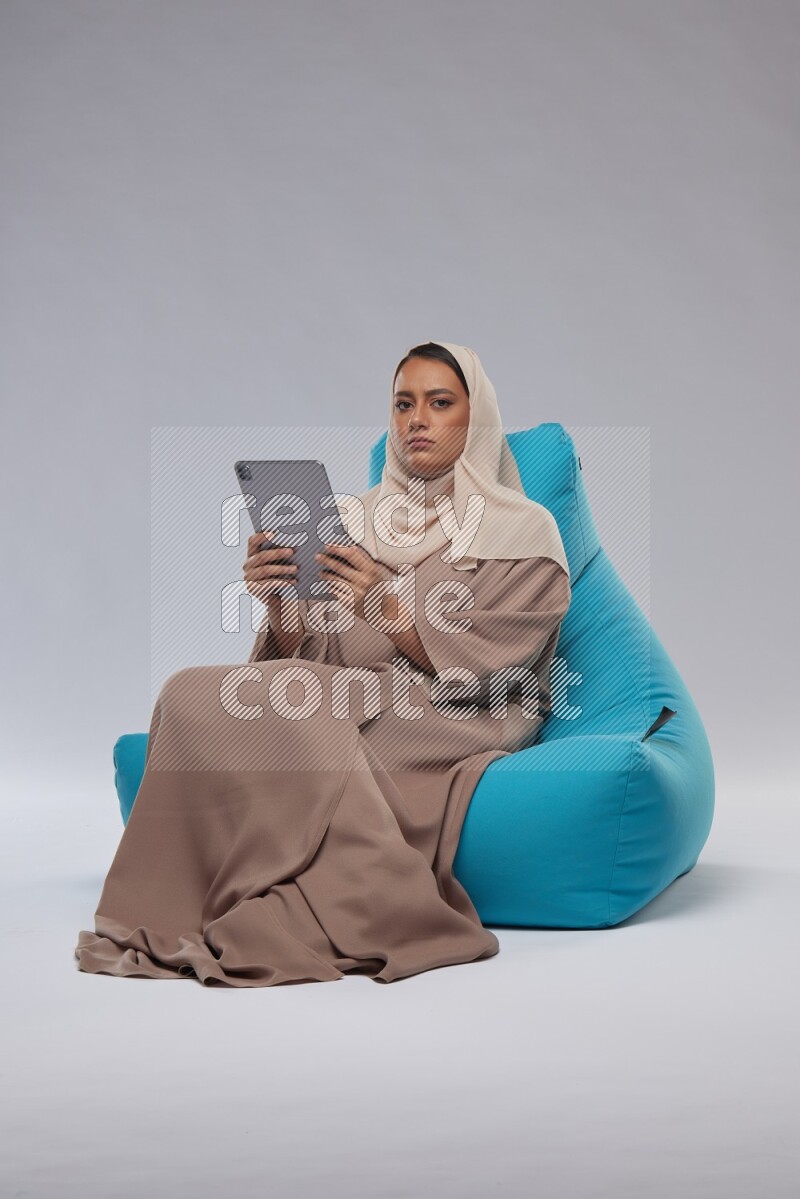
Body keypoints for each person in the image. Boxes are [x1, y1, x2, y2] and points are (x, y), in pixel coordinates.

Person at [74, 340, 572, 987]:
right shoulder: (356, 523)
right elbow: (312, 653)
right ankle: (175, 895)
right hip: (348, 693)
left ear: (476, 418)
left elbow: (495, 667)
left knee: (304, 706)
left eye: (440, 403)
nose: (417, 420)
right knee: (187, 692)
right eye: (403, 404)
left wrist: (382, 604)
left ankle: (346, 895)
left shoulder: (523, 530)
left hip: (456, 711)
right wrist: (281, 600)